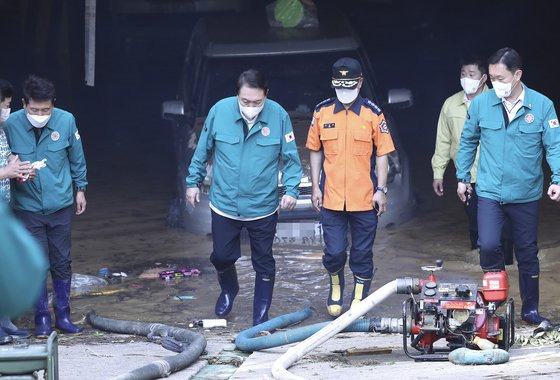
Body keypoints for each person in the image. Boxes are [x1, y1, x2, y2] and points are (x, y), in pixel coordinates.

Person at [186, 69, 302, 326]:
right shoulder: (219, 112)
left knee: (264, 262)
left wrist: (292, 190)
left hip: (263, 206)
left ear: (266, 95)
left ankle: (260, 318)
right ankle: (229, 289)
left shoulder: (279, 116)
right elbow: (202, 151)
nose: (251, 107)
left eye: (257, 102)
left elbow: (292, 159)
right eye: (245, 102)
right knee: (221, 256)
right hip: (225, 204)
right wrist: (192, 183)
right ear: (236, 95)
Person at [456, 47, 560, 325]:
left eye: (500, 78)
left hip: (525, 194)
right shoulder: (480, 104)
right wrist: (463, 177)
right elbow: (467, 141)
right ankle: (494, 303)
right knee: (488, 246)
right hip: (489, 191)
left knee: (527, 251)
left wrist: (557, 178)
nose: (494, 83)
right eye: (491, 78)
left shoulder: (541, 105)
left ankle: (530, 310)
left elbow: (554, 145)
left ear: (517, 75)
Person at [306, 57, 395, 317]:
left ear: (360, 83)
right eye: (340, 86)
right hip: (332, 198)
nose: (345, 93)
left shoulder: (372, 112)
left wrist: (381, 189)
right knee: (333, 252)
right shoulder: (321, 111)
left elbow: (382, 154)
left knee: (361, 252)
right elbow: (314, 150)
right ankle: (336, 286)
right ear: (333, 85)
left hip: (365, 199)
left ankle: (359, 298)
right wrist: (315, 187)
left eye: (350, 86)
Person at [3, 75, 88, 337]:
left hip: (60, 203)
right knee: (36, 262)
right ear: (23, 103)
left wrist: (80, 189)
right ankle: (41, 317)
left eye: (46, 109)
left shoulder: (66, 120)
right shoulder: (10, 124)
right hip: (26, 206)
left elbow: (76, 157)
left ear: (53, 103)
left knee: (62, 261)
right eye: (35, 109)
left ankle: (63, 315)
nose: (41, 114)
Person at [0, 78, 35, 343]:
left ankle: (5, 322)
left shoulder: (1, 130)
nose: (7, 110)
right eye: (5, 105)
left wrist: (15, 167)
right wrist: (6, 171)